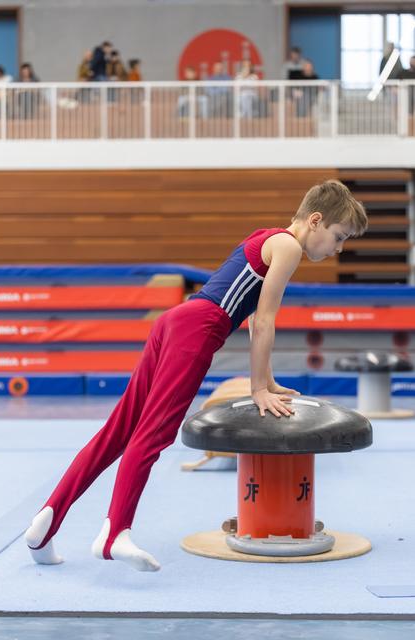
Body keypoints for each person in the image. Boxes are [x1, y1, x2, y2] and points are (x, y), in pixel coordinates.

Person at [25, 180, 368, 572]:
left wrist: (268, 381)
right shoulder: (289, 247)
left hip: (176, 321)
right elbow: (267, 322)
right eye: (339, 237)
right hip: (198, 329)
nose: (338, 249)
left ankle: (45, 522)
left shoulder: (267, 237)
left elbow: (255, 316)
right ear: (316, 219)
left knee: (116, 433)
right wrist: (258, 389)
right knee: (153, 434)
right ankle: (114, 533)